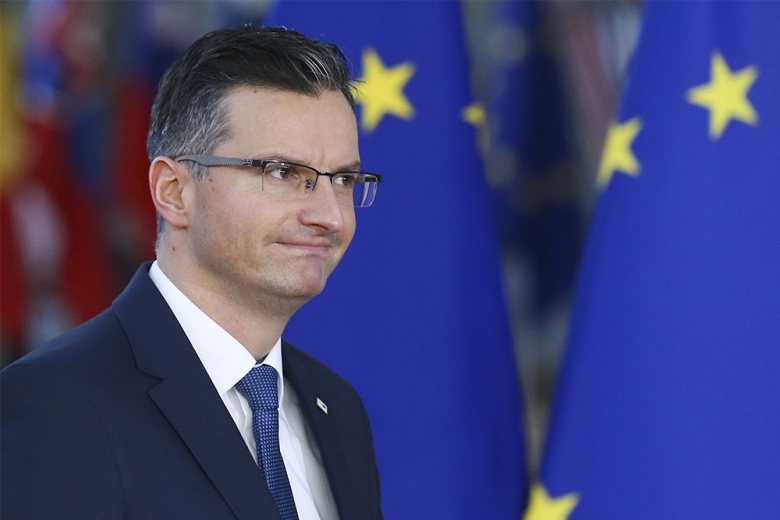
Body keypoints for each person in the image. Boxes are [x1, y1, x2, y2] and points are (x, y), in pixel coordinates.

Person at [1, 26, 383, 520]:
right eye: (283, 173)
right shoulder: (58, 404)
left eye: (344, 179)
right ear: (174, 192)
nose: (329, 215)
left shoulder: (338, 408)